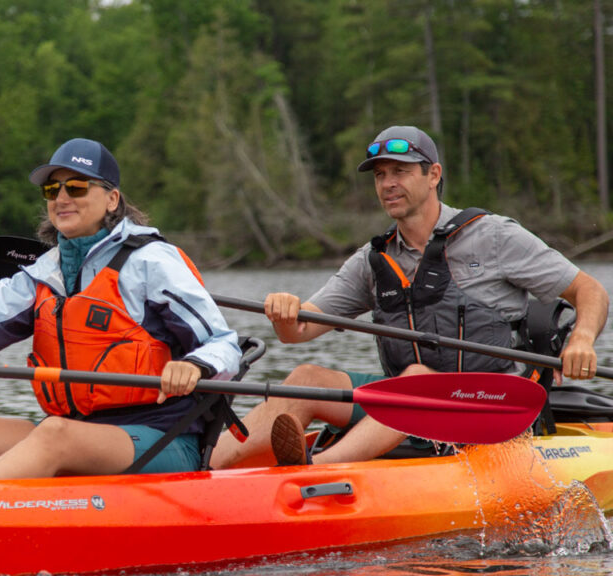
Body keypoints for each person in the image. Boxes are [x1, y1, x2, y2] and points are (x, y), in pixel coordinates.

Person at [209, 125, 609, 468]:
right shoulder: (372, 260)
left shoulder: (494, 236)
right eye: (380, 175)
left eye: (400, 171)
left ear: (433, 174)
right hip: (408, 404)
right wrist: (284, 312)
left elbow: (588, 290)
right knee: (306, 378)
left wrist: (582, 340)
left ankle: (311, 468)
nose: (387, 184)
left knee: (415, 379)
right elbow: (298, 330)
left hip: (489, 405)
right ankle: (201, 466)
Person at [0, 138, 241, 480]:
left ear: (112, 198)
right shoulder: (45, 271)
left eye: (77, 187)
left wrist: (193, 366)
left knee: (55, 435)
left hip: (163, 438)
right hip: (75, 433)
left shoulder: (152, 262)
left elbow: (225, 344)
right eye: (52, 190)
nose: (62, 198)